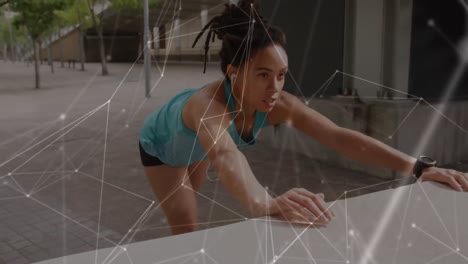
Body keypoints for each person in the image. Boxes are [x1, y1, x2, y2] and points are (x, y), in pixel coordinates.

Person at [139, 0, 468, 235]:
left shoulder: (280, 103)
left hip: (200, 146)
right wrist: (263, 202)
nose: (275, 88)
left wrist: (419, 167)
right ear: (234, 73)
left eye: (281, 75)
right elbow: (226, 154)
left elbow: (338, 136)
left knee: (191, 204)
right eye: (263, 75)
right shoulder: (206, 107)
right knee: (187, 227)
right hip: (162, 148)